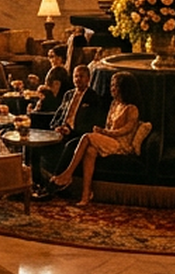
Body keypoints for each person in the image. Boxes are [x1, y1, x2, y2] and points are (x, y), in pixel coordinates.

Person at [48, 73, 140, 205]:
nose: (112, 88)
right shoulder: (114, 104)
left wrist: (104, 132)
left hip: (121, 143)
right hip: (109, 139)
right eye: (112, 85)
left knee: (86, 137)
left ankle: (68, 174)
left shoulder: (131, 108)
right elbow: (108, 124)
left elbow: (126, 130)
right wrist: (102, 131)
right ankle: (86, 194)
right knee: (90, 151)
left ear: (124, 88)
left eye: (116, 86)